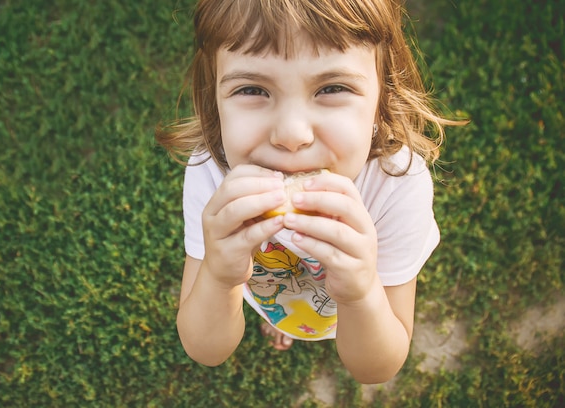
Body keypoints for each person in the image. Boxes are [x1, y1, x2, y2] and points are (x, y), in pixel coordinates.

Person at [156, 0, 464, 384]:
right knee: (283, 313)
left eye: (332, 88)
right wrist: (219, 279)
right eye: (252, 89)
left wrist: (361, 293)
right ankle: (284, 323)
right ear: (215, 101)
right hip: (269, 299)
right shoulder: (212, 176)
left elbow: (377, 367)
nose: (291, 135)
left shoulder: (397, 188)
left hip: (350, 319)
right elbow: (206, 349)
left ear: (381, 100)